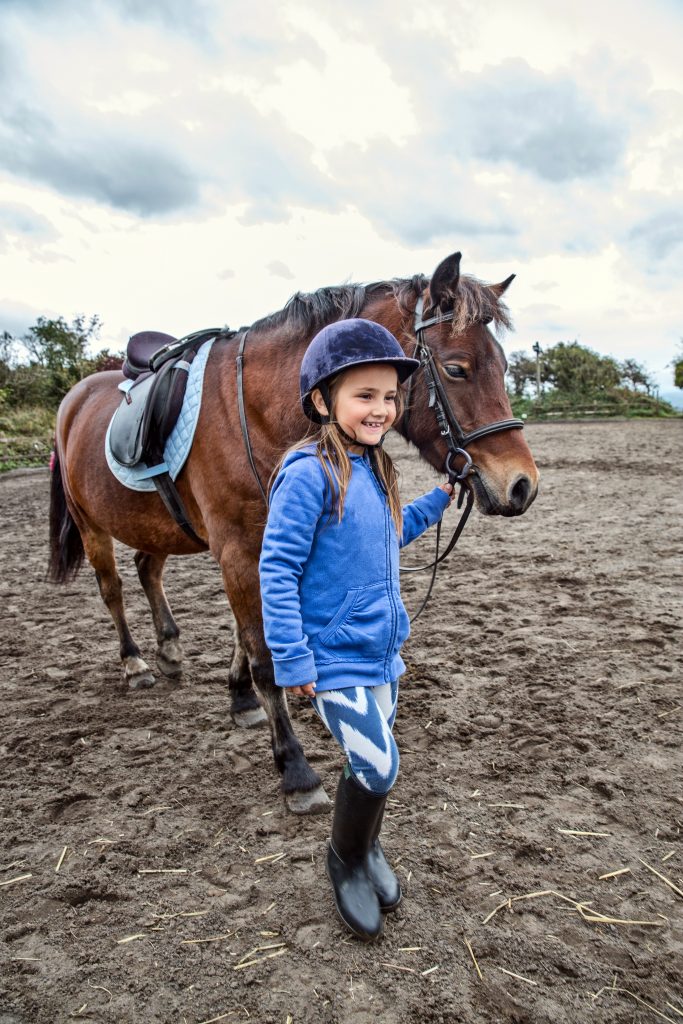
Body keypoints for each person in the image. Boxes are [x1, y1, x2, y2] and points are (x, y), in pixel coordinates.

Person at [259, 318, 454, 941]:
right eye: (364, 395)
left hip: (380, 652)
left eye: (390, 397)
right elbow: (277, 569)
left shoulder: (374, 469)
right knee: (379, 764)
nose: (382, 409)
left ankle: (366, 849)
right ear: (322, 401)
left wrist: (443, 495)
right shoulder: (307, 472)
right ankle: (344, 860)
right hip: (331, 656)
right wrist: (293, 661)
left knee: (374, 765)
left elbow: (386, 538)